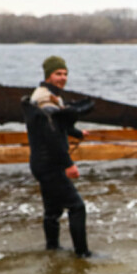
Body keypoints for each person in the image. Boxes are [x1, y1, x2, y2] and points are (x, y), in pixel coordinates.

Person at [22, 55, 94, 257]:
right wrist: (68, 164)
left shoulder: (49, 95)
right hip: (50, 164)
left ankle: (52, 251)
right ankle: (83, 255)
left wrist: (77, 133)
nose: (62, 78)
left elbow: (57, 124)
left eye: (65, 74)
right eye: (58, 74)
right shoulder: (45, 100)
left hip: (41, 162)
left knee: (53, 212)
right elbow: (52, 136)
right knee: (77, 206)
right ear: (48, 75)